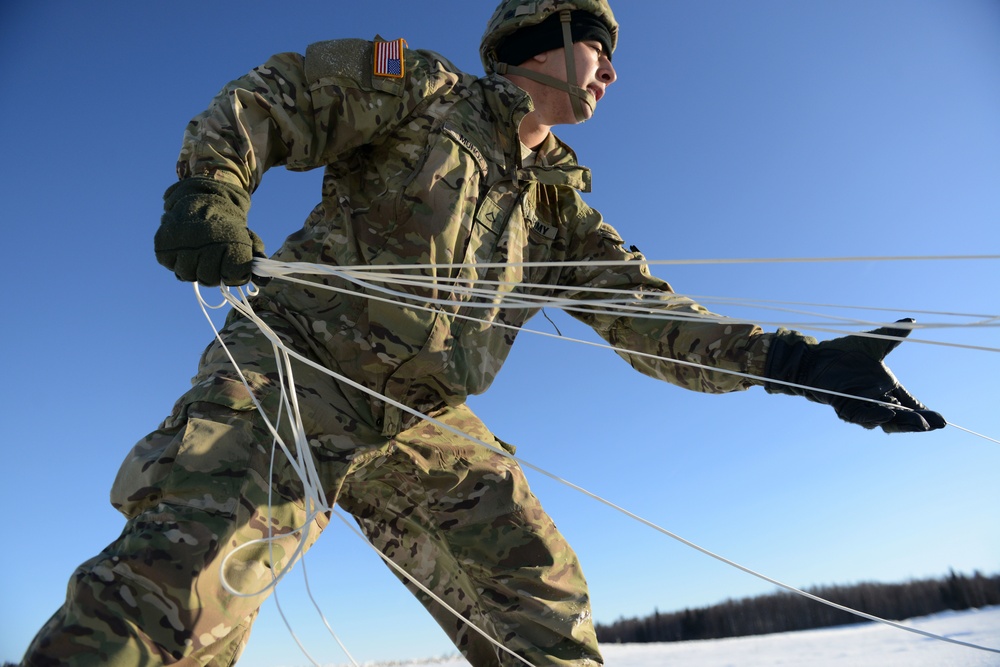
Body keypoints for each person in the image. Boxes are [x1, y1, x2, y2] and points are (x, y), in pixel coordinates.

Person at [22, 1, 946, 665]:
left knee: (541, 596)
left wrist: (803, 364)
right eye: (601, 45)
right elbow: (281, 95)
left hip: (424, 417)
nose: (613, 71)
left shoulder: (561, 214)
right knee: (174, 602)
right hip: (297, 371)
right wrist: (209, 189)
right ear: (545, 34)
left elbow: (655, 321)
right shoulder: (425, 92)